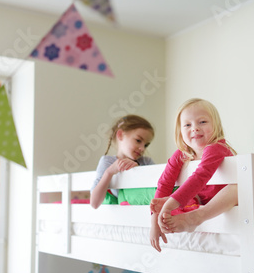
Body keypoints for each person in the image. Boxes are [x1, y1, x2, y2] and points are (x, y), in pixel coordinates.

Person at [149, 98, 237, 252]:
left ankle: (196, 217)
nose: (195, 128)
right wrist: (155, 222)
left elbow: (200, 176)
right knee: (174, 197)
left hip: (223, 202)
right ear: (180, 131)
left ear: (216, 125)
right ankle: (187, 210)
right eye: (187, 125)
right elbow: (164, 183)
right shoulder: (181, 154)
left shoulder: (217, 147)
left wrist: (170, 202)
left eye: (202, 122)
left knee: (240, 188)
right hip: (199, 201)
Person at [90, 115, 155, 209]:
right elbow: (94, 203)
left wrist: (139, 170)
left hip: (147, 208)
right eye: (138, 140)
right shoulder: (108, 162)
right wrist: (109, 172)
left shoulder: (146, 161)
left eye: (146, 145)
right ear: (120, 135)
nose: (142, 148)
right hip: (126, 209)